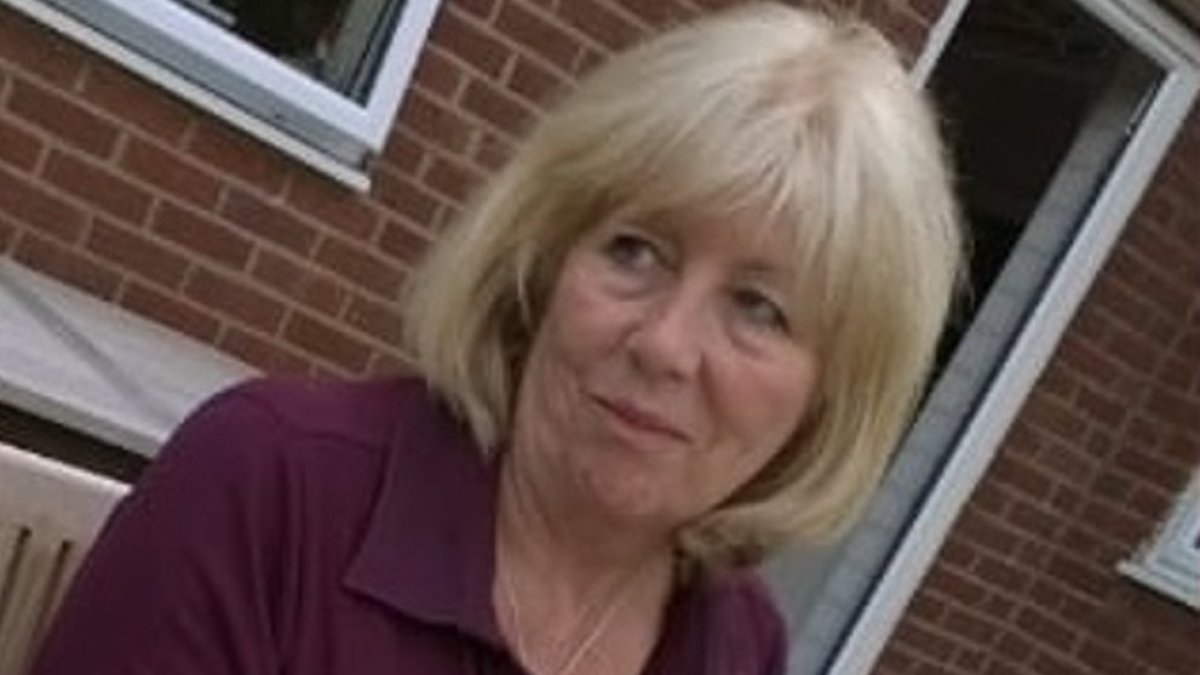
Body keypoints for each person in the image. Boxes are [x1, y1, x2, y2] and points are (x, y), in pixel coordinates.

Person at [30, 3, 963, 674]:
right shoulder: (272, 484)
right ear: (542, 261)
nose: (665, 344)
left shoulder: (736, 643)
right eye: (635, 250)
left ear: (828, 393)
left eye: (759, 308)